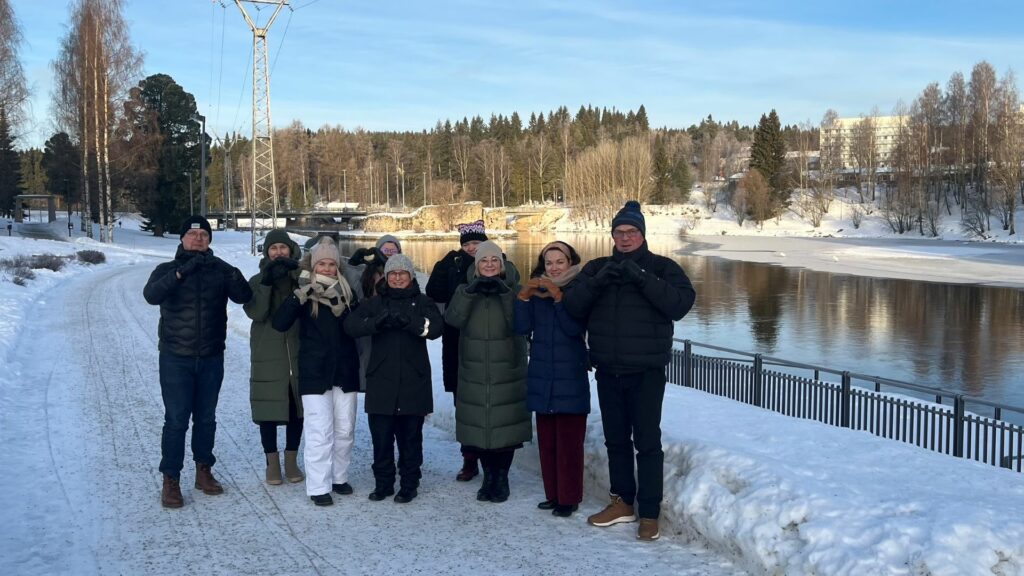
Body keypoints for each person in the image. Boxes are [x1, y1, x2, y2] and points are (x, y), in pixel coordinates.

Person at [562, 200, 696, 542]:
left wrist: (640, 276)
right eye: (618, 232)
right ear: (612, 235)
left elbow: (679, 305)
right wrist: (598, 281)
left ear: (642, 234)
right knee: (616, 440)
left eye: (631, 232)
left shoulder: (663, 268)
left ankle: (649, 512)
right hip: (608, 369)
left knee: (648, 442)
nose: (624, 238)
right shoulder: (596, 269)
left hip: (647, 371)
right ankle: (621, 502)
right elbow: (574, 305)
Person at [143, 215, 253, 509]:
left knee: (206, 418)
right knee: (176, 420)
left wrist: (228, 269)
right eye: (192, 235)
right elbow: (151, 295)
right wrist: (181, 273)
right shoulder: (166, 269)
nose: (198, 239)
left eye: (204, 235)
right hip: (175, 358)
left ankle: (204, 470)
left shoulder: (218, 271)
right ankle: (171, 479)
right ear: (182, 239)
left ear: (209, 240)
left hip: (211, 357)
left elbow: (244, 296)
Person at [344, 254, 442, 503]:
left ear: (410, 276)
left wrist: (412, 322)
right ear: (387, 277)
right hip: (381, 381)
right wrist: (376, 323)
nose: (398, 278)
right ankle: (383, 483)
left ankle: (409, 483)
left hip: (413, 381)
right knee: (382, 438)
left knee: (410, 438)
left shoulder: (422, 301)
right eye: (393, 274)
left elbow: (436, 329)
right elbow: (351, 326)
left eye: (403, 274)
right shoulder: (375, 303)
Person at [272, 237, 360, 507]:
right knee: (319, 431)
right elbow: (280, 323)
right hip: (314, 371)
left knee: (345, 429)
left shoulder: (347, 293)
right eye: (321, 263)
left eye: (331, 264)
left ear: (337, 267)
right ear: (313, 264)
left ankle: (338, 477)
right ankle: (318, 486)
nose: (326, 268)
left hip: (344, 370)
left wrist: (341, 309)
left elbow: (355, 328)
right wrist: (298, 299)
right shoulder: (303, 290)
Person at [444, 240, 530, 504]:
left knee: (505, 428)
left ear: (501, 264)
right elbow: (453, 319)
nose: (489, 265)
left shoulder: (516, 290)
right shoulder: (464, 289)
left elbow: (520, 323)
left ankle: (501, 478)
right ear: (477, 265)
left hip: (508, 368)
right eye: (484, 261)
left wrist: (504, 293)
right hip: (475, 368)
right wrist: (471, 292)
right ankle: (488, 476)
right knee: (480, 428)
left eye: (494, 260)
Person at [514, 241, 590, 518]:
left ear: (571, 262)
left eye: (560, 261)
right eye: (549, 262)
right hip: (542, 374)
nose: (554, 267)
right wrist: (522, 299)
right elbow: (521, 327)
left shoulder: (581, 289)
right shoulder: (537, 291)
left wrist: (560, 299)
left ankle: (569, 498)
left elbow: (573, 329)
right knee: (547, 442)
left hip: (570, 374)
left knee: (569, 442)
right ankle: (553, 494)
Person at [425, 219, 488, 482]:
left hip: (486, 339)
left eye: (477, 243)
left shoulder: (496, 261)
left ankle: (492, 458)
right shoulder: (452, 264)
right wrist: (444, 267)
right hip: (456, 339)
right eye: (469, 244)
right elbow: (433, 292)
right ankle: (469, 460)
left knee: (487, 402)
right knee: (462, 403)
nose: (473, 248)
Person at [244, 229, 305, 486]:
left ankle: (291, 460)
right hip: (266, 351)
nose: (278, 252)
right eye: (273, 248)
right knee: (267, 406)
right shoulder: (257, 280)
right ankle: (272, 462)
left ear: (291, 249)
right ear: (267, 252)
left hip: (297, 349)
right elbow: (256, 313)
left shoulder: (301, 276)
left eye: (283, 247)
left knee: (296, 407)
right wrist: (268, 283)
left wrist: (296, 276)